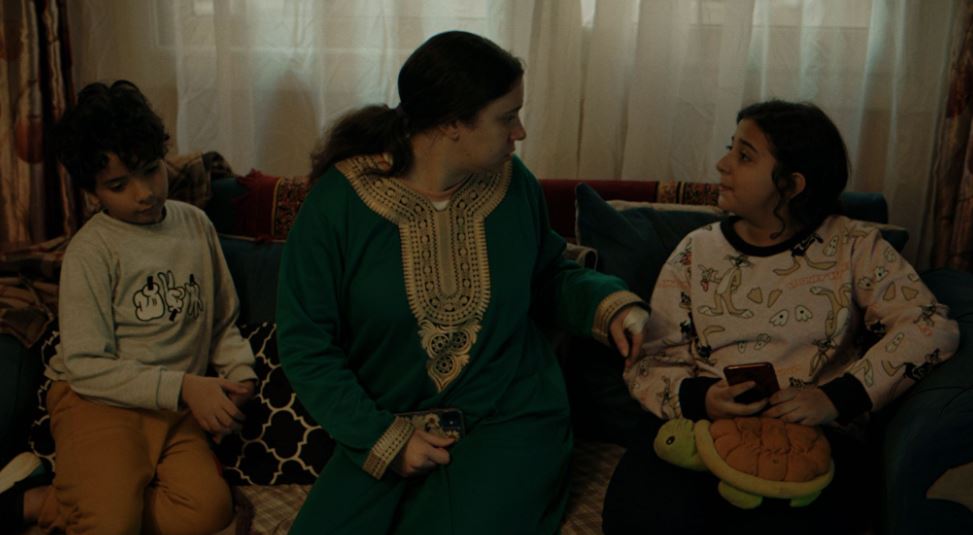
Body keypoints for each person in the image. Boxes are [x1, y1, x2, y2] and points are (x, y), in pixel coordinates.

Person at [276, 30, 649, 534]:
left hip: (510, 420)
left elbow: (548, 276)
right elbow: (305, 343)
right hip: (391, 420)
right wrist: (382, 438)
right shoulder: (338, 204)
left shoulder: (515, 185)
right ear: (451, 123)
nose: (520, 132)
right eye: (507, 117)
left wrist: (612, 305)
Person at [602, 100, 961, 534]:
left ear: (791, 184)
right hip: (704, 426)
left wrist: (836, 397)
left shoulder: (855, 247)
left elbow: (930, 326)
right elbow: (651, 359)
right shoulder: (697, 251)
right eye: (730, 148)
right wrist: (703, 398)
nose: (722, 164)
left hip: (814, 435)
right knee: (639, 515)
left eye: (744, 156)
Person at [0, 80, 257, 534]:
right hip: (96, 403)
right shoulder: (92, 250)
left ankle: (59, 498)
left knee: (211, 511)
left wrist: (240, 374)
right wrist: (184, 387)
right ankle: (38, 500)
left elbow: (221, 322)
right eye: (119, 185)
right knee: (110, 523)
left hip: (173, 412)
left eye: (151, 170)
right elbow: (85, 366)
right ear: (93, 191)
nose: (144, 193)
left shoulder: (196, 226)